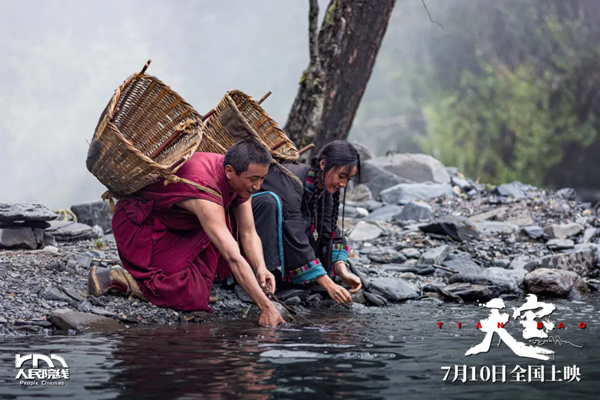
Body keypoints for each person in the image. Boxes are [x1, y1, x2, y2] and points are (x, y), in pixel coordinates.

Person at [89, 139, 285, 326]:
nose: (258, 186)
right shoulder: (206, 191)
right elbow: (233, 257)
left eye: (262, 178)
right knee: (191, 297)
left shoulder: (240, 178)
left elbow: (248, 232)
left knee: (222, 242)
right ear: (229, 171)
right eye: (253, 179)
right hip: (141, 226)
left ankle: (194, 280)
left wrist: (261, 268)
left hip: (181, 222)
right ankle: (121, 278)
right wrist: (265, 307)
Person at [252, 140, 363, 306]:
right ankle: (266, 273)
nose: (343, 184)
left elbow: (329, 231)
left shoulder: (324, 186)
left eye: (348, 179)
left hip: (289, 224)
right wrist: (328, 284)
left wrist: (342, 269)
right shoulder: (291, 180)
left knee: (312, 224)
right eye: (341, 176)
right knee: (271, 203)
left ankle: (303, 274)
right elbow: (294, 232)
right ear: (323, 164)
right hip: (250, 226)